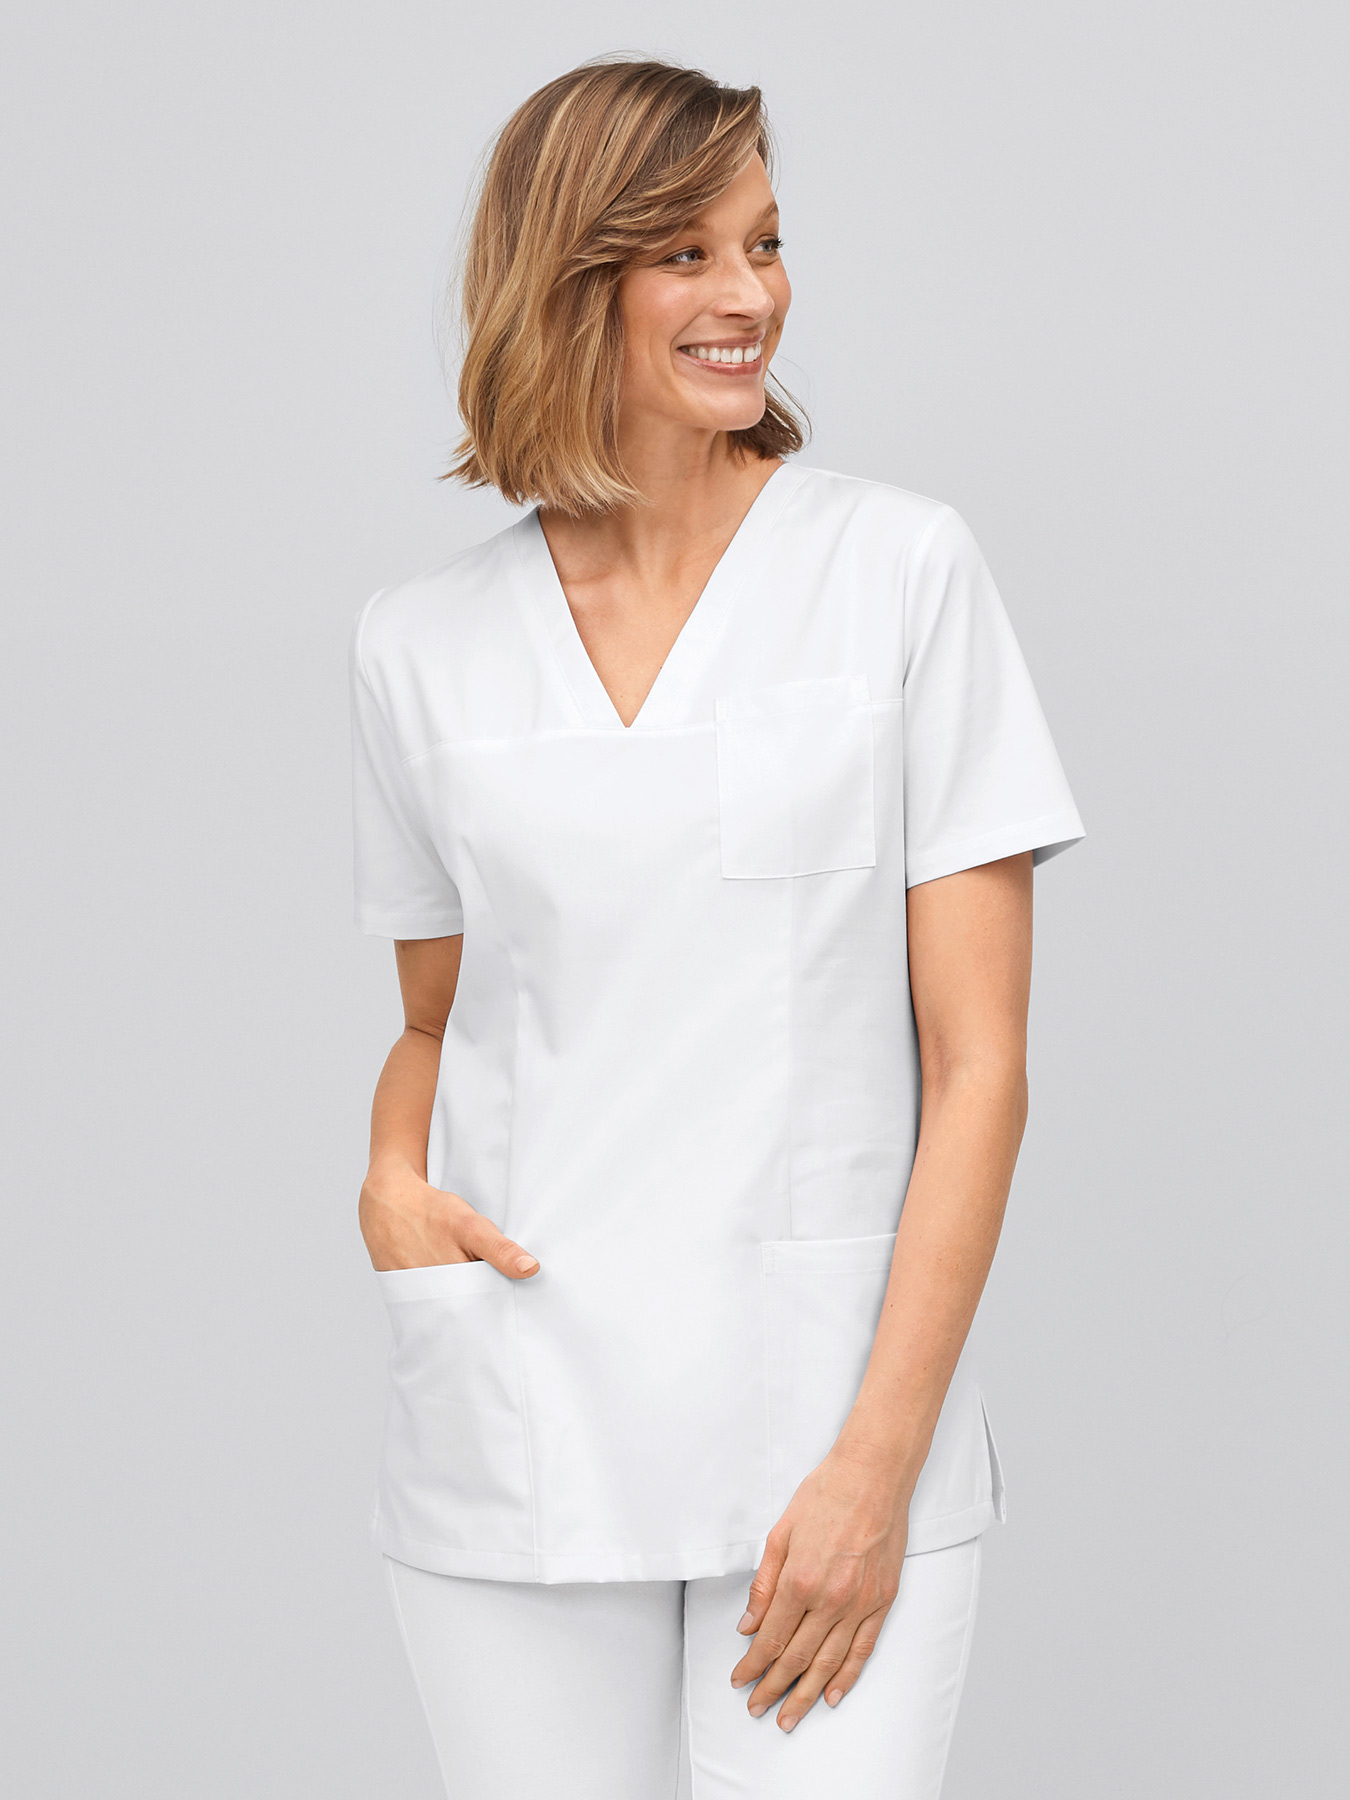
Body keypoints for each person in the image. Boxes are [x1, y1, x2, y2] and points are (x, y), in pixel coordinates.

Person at [348, 55, 1085, 1800]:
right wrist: (387, 1179)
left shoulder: (898, 574)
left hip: (820, 1413)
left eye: (762, 242)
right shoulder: (416, 645)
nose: (748, 293)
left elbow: (977, 1065)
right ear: (566, 276)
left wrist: (873, 1469)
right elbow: (439, 1018)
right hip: (520, 1415)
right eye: (683, 252)